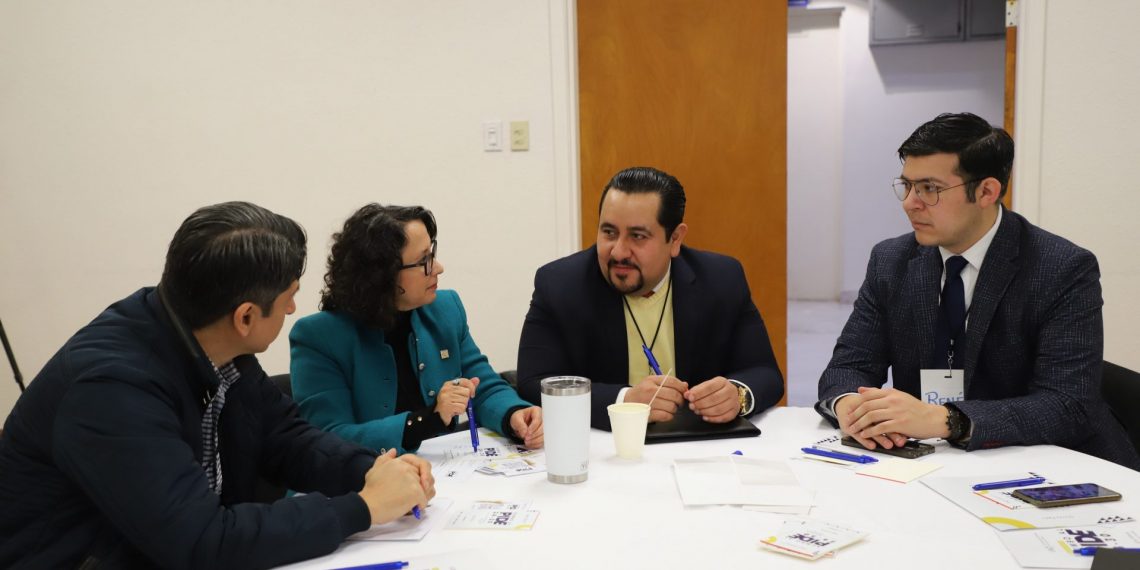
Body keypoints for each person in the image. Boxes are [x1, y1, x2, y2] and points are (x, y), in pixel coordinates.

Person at [0, 202, 436, 569]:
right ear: (245, 316)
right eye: (289, 295)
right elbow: (201, 541)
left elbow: (285, 437)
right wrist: (362, 508)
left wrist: (372, 470)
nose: (292, 308)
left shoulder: (207, 334)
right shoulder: (112, 391)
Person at [815, 112, 1140, 469]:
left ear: (986, 191)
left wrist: (947, 420)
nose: (910, 202)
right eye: (906, 185)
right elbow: (849, 366)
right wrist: (850, 406)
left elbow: (1067, 405)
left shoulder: (1061, 268)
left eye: (929, 189)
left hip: (1049, 465)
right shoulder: (891, 260)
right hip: (929, 464)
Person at [517, 166, 784, 430]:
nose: (618, 252)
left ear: (675, 239)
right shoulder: (560, 284)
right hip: (603, 445)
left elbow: (764, 372)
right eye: (609, 232)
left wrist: (736, 395)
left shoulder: (721, 279)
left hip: (698, 447)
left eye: (637, 236)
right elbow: (532, 383)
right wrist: (624, 401)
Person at [289, 204, 543, 454]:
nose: (438, 268)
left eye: (432, 254)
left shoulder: (445, 309)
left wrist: (514, 414)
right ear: (383, 274)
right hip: (367, 476)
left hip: (447, 470)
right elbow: (329, 438)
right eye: (424, 261)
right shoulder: (318, 337)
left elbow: (483, 386)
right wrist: (427, 419)